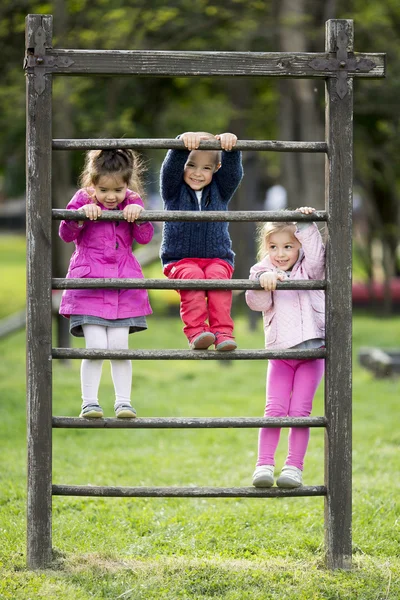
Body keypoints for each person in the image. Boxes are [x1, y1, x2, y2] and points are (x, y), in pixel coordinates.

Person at [59, 148, 154, 419]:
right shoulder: (81, 199)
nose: (111, 197)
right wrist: (79, 215)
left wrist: (139, 214)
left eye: (118, 190)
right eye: (103, 190)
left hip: (122, 285)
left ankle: (124, 402)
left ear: (127, 184)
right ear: (92, 183)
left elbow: (145, 237)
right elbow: (65, 233)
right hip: (88, 284)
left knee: (120, 348)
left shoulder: (132, 202)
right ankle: (89, 402)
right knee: (96, 347)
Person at [245, 207, 325, 488]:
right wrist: (262, 285)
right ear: (266, 247)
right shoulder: (263, 271)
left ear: (299, 245)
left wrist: (306, 223)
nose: (280, 253)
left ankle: (293, 468)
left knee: (300, 412)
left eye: (288, 246)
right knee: (274, 410)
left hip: (312, 353)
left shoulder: (310, 268)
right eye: (274, 247)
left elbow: (317, 253)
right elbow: (257, 304)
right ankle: (264, 465)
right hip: (280, 355)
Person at [159, 131, 243, 351]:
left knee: (218, 281)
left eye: (206, 168)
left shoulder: (220, 191)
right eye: (191, 165)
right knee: (193, 278)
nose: (197, 173)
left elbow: (233, 173)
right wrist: (181, 143)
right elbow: (169, 169)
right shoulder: (173, 190)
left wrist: (230, 148)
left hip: (218, 257)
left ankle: (223, 333)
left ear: (216, 169)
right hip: (180, 259)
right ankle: (197, 332)